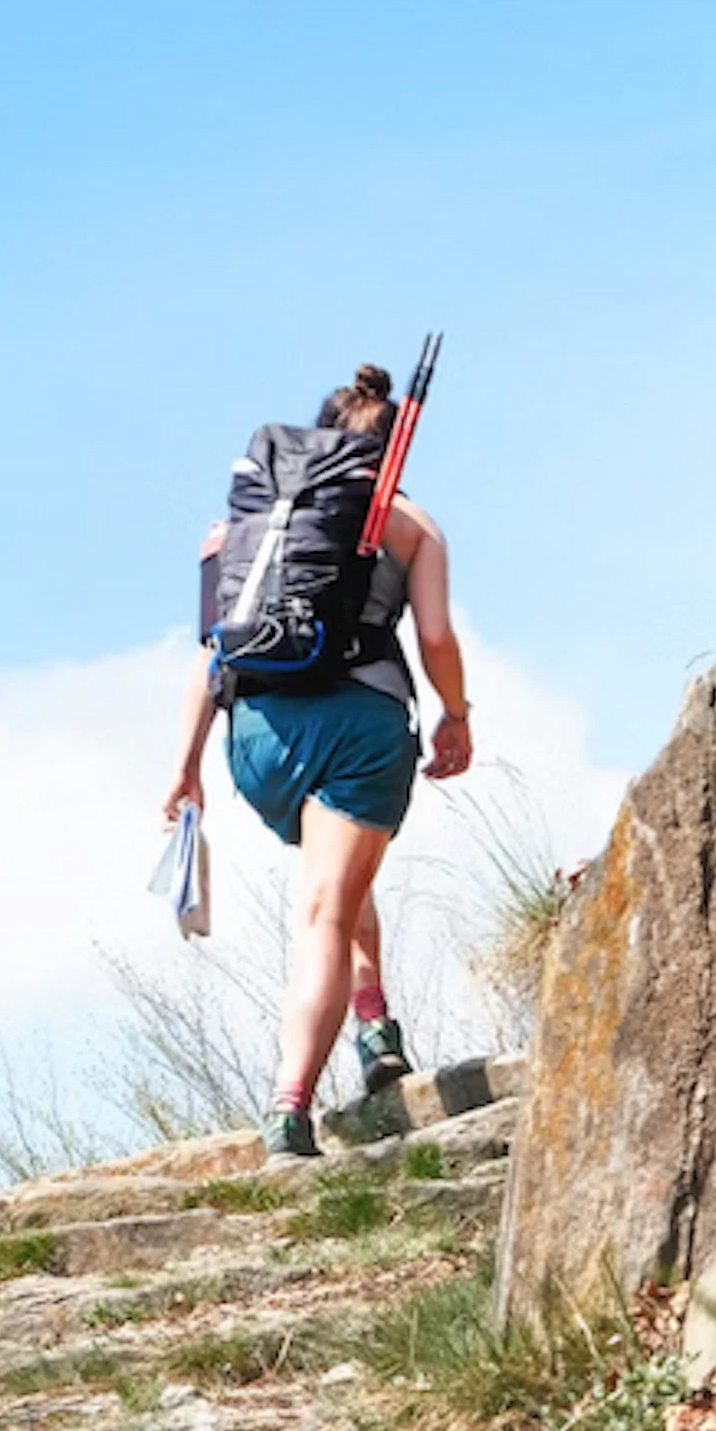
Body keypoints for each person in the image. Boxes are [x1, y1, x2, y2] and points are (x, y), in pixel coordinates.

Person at [163, 364, 475, 1160]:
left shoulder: (243, 527)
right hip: (357, 727)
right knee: (327, 910)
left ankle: (375, 1024)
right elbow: (434, 638)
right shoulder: (410, 524)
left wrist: (187, 764)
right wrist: (456, 715)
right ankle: (290, 1106)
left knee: (334, 882)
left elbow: (213, 654)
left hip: (257, 737)